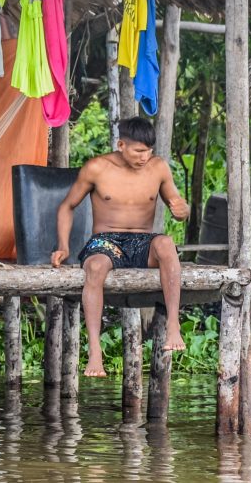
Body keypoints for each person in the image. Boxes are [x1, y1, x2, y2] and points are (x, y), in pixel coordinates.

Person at [50, 117, 189, 377]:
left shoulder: (158, 168)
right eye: (138, 151)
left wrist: (183, 211)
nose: (144, 156)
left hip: (142, 242)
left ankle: (173, 325)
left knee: (167, 244)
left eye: (149, 150)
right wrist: (63, 246)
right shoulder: (96, 168)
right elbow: (66, 206)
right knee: (95, 267)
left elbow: (178, 206)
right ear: (121, 144)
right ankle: (94, 351)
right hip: (106, 241)